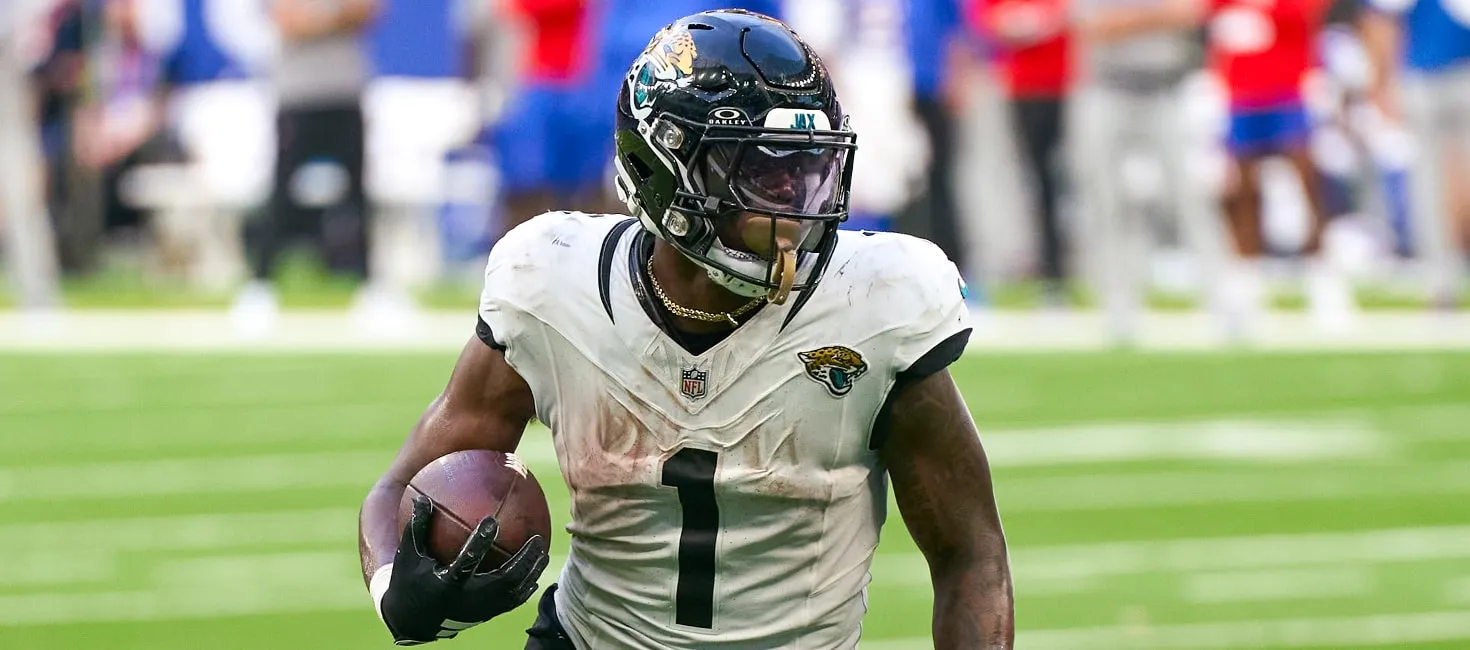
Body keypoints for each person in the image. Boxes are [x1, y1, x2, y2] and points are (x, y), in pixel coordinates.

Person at [358, 10, 1014, 649]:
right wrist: (398, 587)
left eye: (805, 168)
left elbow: (971, 554)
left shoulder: (873, 303)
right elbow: (399, 487)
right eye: (759, 170)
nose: (793, 203)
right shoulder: (554, 283)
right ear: (662, 168)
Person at [1361, 0, 1470, 308]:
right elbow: (1383, 20)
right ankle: (1441, 280)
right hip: (1426, 77)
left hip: (1427, 76)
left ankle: (1441, 281)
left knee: (1433, 187)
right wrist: (1381, 81)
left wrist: (1380, 80)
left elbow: (1381, 20)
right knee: (1431, 187)